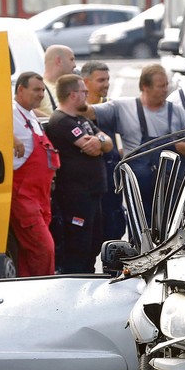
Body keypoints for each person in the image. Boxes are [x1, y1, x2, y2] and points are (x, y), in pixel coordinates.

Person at [87, 64, 185, 224]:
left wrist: (177, 146)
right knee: (140, 229)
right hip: (138, 189)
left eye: (166, 85)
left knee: (171, 226)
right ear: (145, 87)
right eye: (161, 86)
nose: (165, 90)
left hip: (170, 188)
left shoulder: (176, 111)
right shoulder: (122, 107)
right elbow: (89, 112)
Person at [45, 74, 113, 274]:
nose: (86, 95)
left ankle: (88, 275)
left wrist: (99, 142)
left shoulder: (82, 120)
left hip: (92, 193)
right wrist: (99, 143)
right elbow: (89, 146)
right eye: (84, 91)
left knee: (93, 243)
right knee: (78, 244)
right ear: (73, 95)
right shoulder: (62, 121)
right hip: (76, 195)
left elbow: (107, 143)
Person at [10, 71, 58, 277]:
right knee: (43, 248)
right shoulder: (10, 110)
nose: (41, 95)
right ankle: (43, 290)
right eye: (36, 90)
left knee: (31, 252)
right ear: (21, 89)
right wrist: (12, 138)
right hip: (24, 197)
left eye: (42, 90)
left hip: (40, 196)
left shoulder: (30, 114)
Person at [81, 60, 126, 242]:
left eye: (107, 79)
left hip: (112, 179)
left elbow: (123, 143)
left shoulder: (112, 107)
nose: (106, 84)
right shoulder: (75, 112)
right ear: (85, 82)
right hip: (88, 184)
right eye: (101, 80)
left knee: (114, 231)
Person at [37, 45, 76, 117]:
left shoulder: (71, 87)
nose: (75, 65)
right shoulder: (38, 88)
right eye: (71, 59)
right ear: (59, 61)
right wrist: (53, 120)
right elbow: (24, 110)